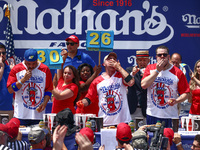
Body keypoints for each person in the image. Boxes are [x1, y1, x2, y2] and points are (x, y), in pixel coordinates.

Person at [77, 52, 135, 126]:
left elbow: (131, 82)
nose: (112, 60)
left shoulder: (120, 76)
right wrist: (82, 102)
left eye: (114, 59)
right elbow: (89, 98)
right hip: (105, 121)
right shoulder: (97, 81)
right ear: (104, 64)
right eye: (109, 59)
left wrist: (119, 68)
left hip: (122, 121)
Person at [141, 45, 190, 127]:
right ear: (156, 57)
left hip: (170, 115)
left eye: (164, 54)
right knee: (152, 138)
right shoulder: (150, 68)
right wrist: (157, 71)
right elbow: (144, 85)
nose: (162, 57)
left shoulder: (178, 72)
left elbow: (186, 93)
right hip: (152, 114)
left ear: (168, 57)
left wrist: (177, 101)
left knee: (170, 139)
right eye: (160, 55)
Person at [7, 48, 53, 126]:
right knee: (20, 137)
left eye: (34, 63)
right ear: (24, 59)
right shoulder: (17, 69)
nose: (31, 66)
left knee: (38, 137)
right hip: (21, 115)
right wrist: (23, 79)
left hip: (38, 115)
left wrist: (45, 103)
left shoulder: (44, 69)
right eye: (28, 63)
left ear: (37, 60)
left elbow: (49, 89)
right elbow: (10, 89)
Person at [126, 50, 150, 124]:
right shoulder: (129, 70)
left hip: (147, 109)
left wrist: (147, 76)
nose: (142, 62)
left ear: (148, 60)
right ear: (136, 61)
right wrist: (132, 74)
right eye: (140, 60)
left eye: (144, 60)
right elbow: (127, 81)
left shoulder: (152, 72)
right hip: (133, 108)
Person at [170, 53, 191, 117]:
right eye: (173, 62)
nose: (174, 65)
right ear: (169, 61)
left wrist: (178, 96)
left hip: (178, 101)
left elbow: (186, 89)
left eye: (177, 63)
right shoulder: (164, 70)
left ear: (180, 62)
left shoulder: (183, 72)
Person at [0, 43, 13, 120]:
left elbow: (17, 86)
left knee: (7, 132)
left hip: (8, 109)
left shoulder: (9, 69)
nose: (2, 55)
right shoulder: (2, 68)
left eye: (3, 53)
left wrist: (14, 72)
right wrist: (1, 67)